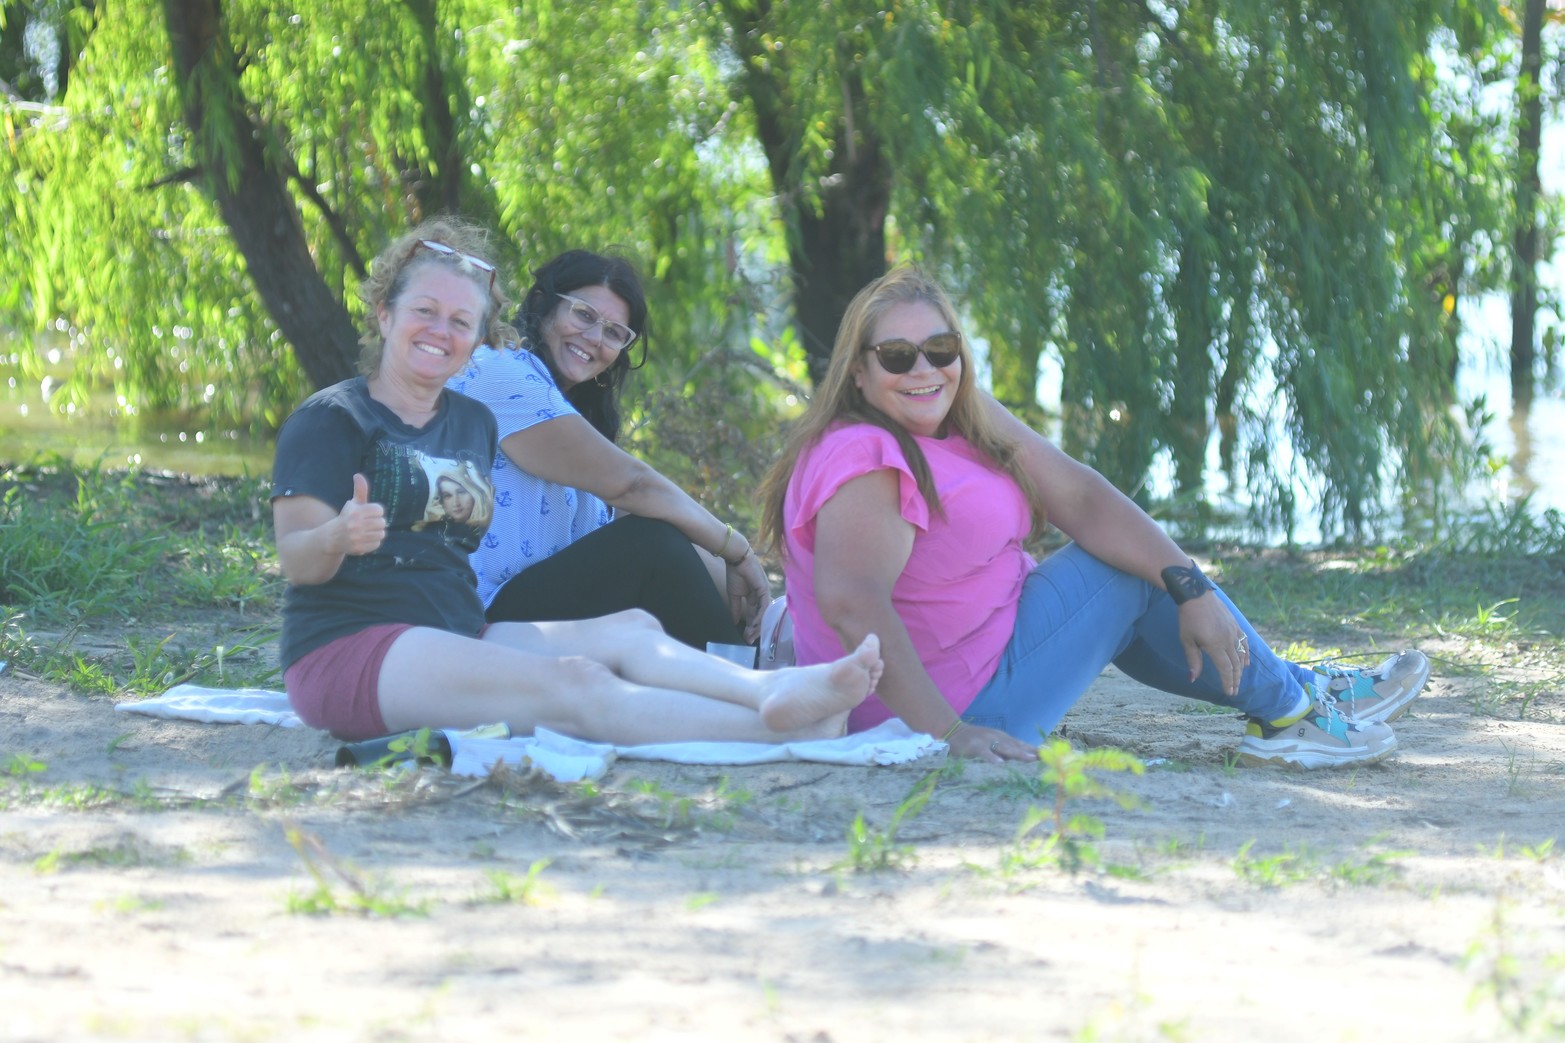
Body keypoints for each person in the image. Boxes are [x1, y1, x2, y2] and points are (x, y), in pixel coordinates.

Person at [758, 266, 1431, 767]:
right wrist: (948, 734)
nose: (924, 369)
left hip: (985, 663)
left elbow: (1079, 496)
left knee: (1146, 566)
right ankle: (1293, 711)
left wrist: (1191, 583)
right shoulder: (866, 454)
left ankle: (1298, 690)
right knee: (1121, 573)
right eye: (897, 356)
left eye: (941, 349)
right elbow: (851, 599)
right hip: (944, 713)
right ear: (857, 372)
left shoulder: (957, 413)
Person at [272, 218, 883, 745]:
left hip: (463, 628)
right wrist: (336, 537)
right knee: (580, 681)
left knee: (632, 632)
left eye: (462, 320)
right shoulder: (339, 417)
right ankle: (783, 724)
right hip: (363, 641)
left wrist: (720, 567)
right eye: (425, 312)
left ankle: (770, 687)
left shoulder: (465, 423)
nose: (444, 333)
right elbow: (297, 559)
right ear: (384, 313)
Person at [446, 249, 769, 650]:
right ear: (544, 303)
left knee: (666, 536)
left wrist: (739, 582)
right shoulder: (498, 370)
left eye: (615, 333)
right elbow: (634, 486)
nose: (595, 338)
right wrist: (738, 551)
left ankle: (764, 646)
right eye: (584, 315)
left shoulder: (566, 411)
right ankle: (750, 681)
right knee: (651, 546)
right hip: (478, 617)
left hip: (529, 609)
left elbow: (647, 513)